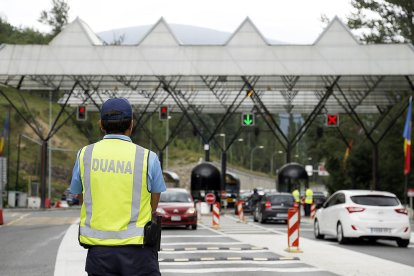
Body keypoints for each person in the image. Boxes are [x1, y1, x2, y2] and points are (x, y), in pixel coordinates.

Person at [70, 98, 166, 276]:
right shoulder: (148, 157)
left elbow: (80, 194)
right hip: (139, 250)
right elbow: (155, 199)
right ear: (131, 124)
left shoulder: (84, 155)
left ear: (101, 124)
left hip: (99, 253)